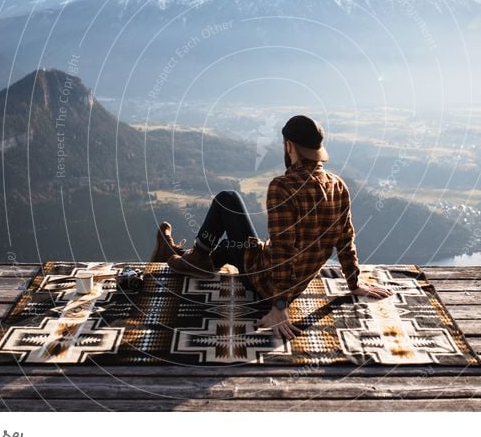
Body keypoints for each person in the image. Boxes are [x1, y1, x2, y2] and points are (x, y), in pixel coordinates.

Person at [150, 114, 393, 340]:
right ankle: (185, 258)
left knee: (227, 199)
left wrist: (278, 306)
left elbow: (282, 251)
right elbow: (345, 240)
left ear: (289, 146)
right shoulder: (338, 186)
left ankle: (195, 258)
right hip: (293, 283)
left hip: (265, 283)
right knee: (228, 247)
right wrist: (355, 283)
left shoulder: (283, 186)